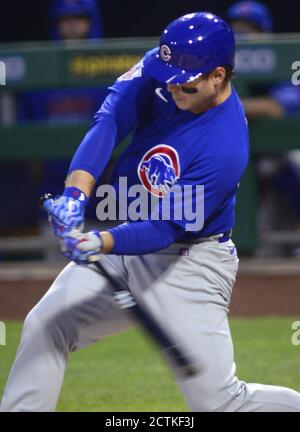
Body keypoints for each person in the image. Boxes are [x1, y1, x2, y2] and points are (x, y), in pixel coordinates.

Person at [1, 12, 300, 412]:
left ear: (218, 76)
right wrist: (75, 196)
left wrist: (99, 240)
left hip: (189, 261)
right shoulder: (166, 65)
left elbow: (163, 228)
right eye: (169, 75)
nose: (173, 85)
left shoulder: (225, 146)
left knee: (219, 403)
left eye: (186, 82)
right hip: (125, 237)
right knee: (46, 326)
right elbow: (108, 121)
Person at [227, 1, 300, 255]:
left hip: (281, 164)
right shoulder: (220, 67)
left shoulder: (288, 61)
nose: (242, 33)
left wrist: (220, 102)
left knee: (289, 157)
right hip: (250, 172)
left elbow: (276, 107)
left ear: (266, 33)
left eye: (251, 27)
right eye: (236, 27)